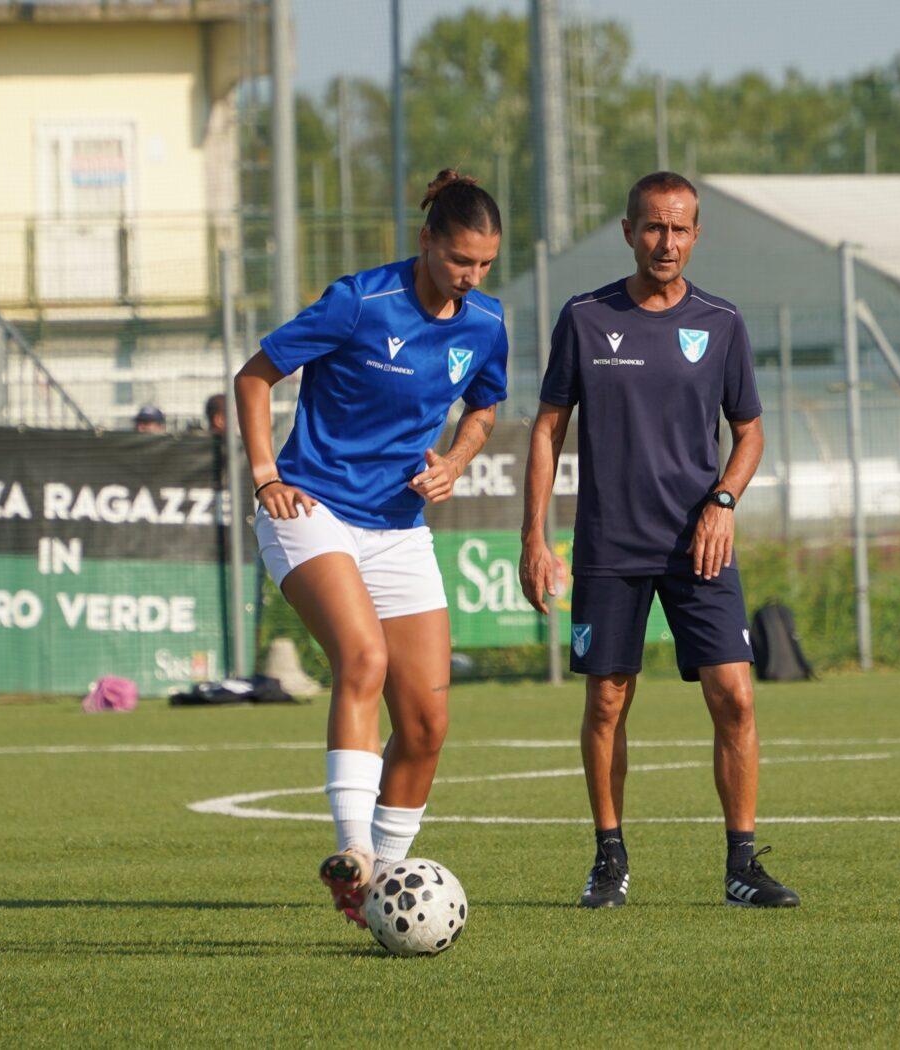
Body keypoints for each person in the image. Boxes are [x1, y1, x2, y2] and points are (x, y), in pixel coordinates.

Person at [234, 170, 507, 929]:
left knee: (426, 725)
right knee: (363, 659)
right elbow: (253, 378)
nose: (470, 277)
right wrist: (265, 476)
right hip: (311, 508)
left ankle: (382, 880)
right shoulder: (360, 300)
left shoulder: (485, 322)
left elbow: (485, 404)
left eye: (484, 264)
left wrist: (455, 460)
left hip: (399, 528)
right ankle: (353, 852)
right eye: (459, 260)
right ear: (426, 241)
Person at [520, 171, 798, 910]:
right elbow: (548, 429)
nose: (665, 242)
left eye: (678, 229)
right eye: (652, 227)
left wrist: (724, 502)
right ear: (627, 229)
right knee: (608, 701)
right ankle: (609, 859)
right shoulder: (584, 317)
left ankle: (743, 865)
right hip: (610, 544)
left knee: (735, 697)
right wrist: (534, 538)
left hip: (699, 543)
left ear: (696, 234)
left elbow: (751, 431)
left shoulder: (722, 322)